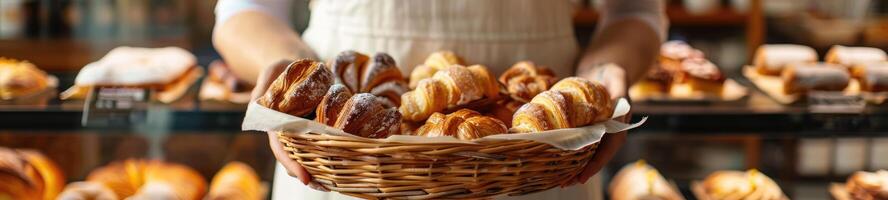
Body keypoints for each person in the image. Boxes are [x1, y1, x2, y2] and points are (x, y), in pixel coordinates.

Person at [213, 0, 666, 199]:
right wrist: (292, 73)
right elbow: (243, 9)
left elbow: (635, 11)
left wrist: (602, 77)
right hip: (339, 150)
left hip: (544, 151)